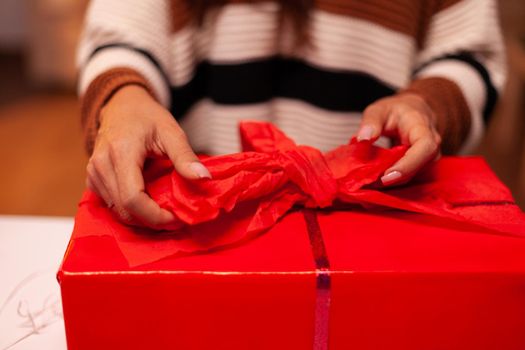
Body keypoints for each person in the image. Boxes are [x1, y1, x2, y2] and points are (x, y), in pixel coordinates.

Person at [77, 0, 506, 227]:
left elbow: (470, 56)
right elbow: (120, 39)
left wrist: (429, 103)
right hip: (201, 217)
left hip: (379, 217)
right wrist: (122, 96)